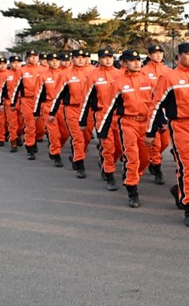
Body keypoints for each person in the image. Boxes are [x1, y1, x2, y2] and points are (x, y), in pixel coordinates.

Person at [146, 42, 189, 228]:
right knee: (188, 168)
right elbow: (156, 105)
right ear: (179, 56)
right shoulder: (169, 78)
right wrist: (151, 131)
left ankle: (179, 189)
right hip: (181, 126)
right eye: (188, 54)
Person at [99, 50, 154, 208]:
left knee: (145, 158)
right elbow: (109, 108)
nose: (136, 63)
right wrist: (103, 130)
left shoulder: (147, 80)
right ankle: (132, 190)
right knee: (132, 157)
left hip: (146, 122)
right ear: (124, 63)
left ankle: (132, 174)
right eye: (132, 60)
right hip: (128, 123)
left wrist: (159, 122)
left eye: (138, 60)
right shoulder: (118, 83)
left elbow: (156, 103)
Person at [80, 48, 123, 189]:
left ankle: (106, 162)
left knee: (120, 147)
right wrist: (83, 119)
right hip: (102, 115)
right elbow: (86, 99)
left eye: (110, 57)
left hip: (119, 115)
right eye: (104, 57)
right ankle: (109, 173)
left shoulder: (120, 74)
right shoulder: (93, 76)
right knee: (108, 145)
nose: (108, 59)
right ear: (99, 59)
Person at [49, 49, 93, 177]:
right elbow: (57, 95)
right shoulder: (66, 75)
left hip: (88, 109)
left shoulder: (92, 73)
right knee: (78, 137)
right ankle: (80, 164)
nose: (80, 59)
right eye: (77, 57)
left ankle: (76, 155)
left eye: (83, 57)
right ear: (72, 59)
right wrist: (52, 112)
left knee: (87, 137)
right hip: (72, 109)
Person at [141, 44, 171, 185]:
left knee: (165, 142)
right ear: (149, 55)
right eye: (155, 53)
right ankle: (157, 169)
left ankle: (153, 160)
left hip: (165, 111)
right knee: (156, 143)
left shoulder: (168, 71)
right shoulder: (143, 71)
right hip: (151, 110)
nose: (158, 55)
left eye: (160, 53)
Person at [34, 52, 70, 167]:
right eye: (52, 60)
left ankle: (56, 146)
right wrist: (36, 111)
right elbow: (38, 94)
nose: (55, 62)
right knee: (54, 133)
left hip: (62, 107)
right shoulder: (43, 76)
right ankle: (56, 154)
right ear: (48, 62)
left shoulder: (65, 74)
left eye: (57, 60)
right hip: (48, 106)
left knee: (65, 132)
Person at [11, 50, 46, 159]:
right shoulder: (22, 71)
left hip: (40, 101)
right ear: (26, 58)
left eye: (35, 56)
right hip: (27, 100)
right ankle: (30, 148)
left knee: (40, 127)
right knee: (30, 125)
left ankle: (35, 139)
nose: (33, 58)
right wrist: (13, 102)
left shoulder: (44, 70)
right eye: (30, 56)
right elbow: (15, 87)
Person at [1, 56, 24, 152]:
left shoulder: (24, 73)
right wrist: (0, 102)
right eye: (14, 62)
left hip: (23, 101)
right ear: (10, 63)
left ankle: (18, 135)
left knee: (21, 123)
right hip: (10, 101)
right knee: (12, 123)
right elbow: (1, 89)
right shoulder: (6, 74)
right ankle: (13, 141)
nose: (16, 64)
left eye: (18, 62)